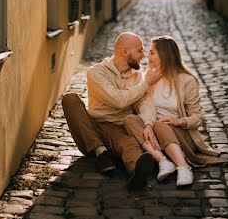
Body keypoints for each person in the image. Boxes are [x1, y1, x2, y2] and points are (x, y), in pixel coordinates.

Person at [124, 35, 228, 187]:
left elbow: (198, 118)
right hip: (154, 136)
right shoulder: (149, 78)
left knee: (161, 125)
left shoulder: (187, 81)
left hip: (180, 134)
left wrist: (178, 121)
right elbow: (140, 107)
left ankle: (183, 167)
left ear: (165, 55)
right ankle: (163, 161)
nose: (148, 56)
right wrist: (146, 84)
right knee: (130, 120)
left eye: (152, 52)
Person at [62, 32, 161, 190]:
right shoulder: (96, 72)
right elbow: (118, 100)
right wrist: (146, 84)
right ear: (125, 51)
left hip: (119, 128)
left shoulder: (138, 77)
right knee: (70, 99)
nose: (143, 56)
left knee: (130, 144)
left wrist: (148, 123)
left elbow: (145, 103)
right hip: (92, 128)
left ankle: (137, 172)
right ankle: (101, 153)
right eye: (139, 51)